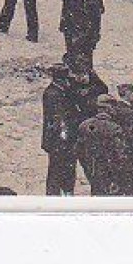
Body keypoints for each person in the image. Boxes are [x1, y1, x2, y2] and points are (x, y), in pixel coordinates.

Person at [75, 94, 132, 196]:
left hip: (92, 171)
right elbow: (120, 156)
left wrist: (87, 168)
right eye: (114, 107)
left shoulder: (84, 125)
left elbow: (79, 151)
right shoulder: (114, 128)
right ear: (109, 109)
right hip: (111, 175)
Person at [41, 63, 79, 196]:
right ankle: (54, 194)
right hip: (58, 138)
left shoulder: (62, 90)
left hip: (64, 137)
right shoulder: (52, 93)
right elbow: (57, 117)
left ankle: (66, 190)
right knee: (56, 168)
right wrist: (64, 132)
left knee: (67, 166)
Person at [58, 0, 104, 66]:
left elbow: (98, 12)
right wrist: (64, 21)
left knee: (84, 57)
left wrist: (94, 33)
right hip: (70, 25)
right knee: (72, 55)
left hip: (85, 29)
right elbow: (66, 5)